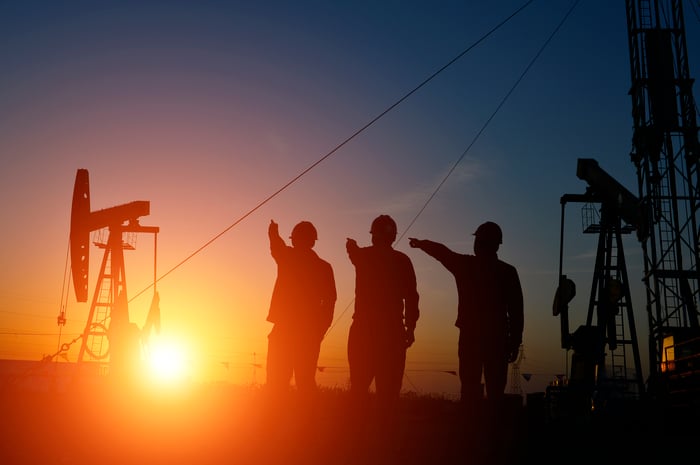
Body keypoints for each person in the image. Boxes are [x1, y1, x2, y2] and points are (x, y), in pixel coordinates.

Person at [409, 221, 523, 409]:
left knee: (470, 389)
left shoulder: (466, 266)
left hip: (471, 338)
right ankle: (492, 430)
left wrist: (422, 244)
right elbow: (517, 310)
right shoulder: (507, 272)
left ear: (479, 242)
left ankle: (471, 427)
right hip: (498, 339)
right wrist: (515, 340)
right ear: (497, 245)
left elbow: (442, 253)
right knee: (496, 392)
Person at [346, 214, 420, 408]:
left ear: (373, 236)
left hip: (363, 331)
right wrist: (410, 328)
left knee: (359, 389)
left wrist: (351, 245)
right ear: (394, 237)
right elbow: (412, 297)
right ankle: (385, 434)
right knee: (389, 394)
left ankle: (355, 433)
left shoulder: (362, 256)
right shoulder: (403, 260)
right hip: (392, 332)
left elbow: (352, 252)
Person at [266, 219, 337, 401]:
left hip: (285, 331)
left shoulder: (287, 257)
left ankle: (272, 423)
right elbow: (329, 304)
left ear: (294, 239)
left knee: (276, 384)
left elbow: (276, 246)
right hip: (307, 334)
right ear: (313, 241)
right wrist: (319, 331)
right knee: (305, 383)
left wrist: (273, 232)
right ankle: (306, 424)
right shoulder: (323, 267)